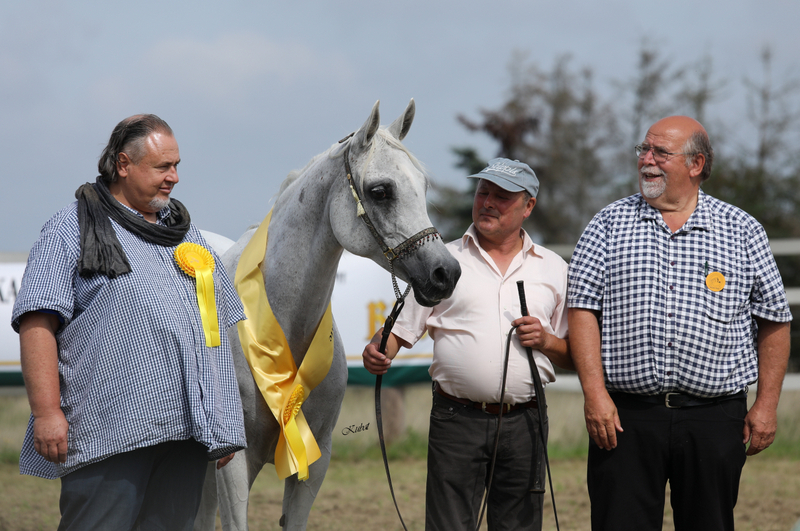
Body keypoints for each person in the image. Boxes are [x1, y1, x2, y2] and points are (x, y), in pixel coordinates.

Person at [12, 114, 247, 530]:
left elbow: (214, 333)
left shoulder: (189, 239)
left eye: (176, 166)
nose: (173, 177)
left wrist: (221, 418)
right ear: (123, 164)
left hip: (186, 433)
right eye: (162, 167)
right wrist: (47, 411)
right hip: (110, 430)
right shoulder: (70, 229)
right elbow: (36, 323)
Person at [568, 116, 793, 530]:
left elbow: (774, 321)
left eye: (660, 153)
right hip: (625, 418)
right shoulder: (607, 224)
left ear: (696, 164)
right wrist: (595, 395)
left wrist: (766, 404)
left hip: (714, 418)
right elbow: (582, 311)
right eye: (643, 150)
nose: (646, 160)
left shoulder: (742, 230)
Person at [362, 158, 573, 531]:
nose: (488, 202)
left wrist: (546, 340)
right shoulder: (443, 261)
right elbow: (394, 336)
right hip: (456, 420)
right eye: (483, 192)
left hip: (526, 421)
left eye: (502, 196)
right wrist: (378, 352)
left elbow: (574, 355)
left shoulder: (554, 268)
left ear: (528, 206)